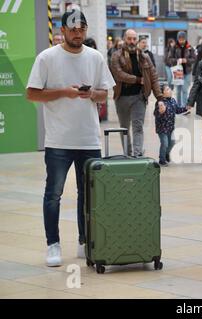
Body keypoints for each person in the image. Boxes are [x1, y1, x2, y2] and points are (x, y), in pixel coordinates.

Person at [26, 10, 116, 267]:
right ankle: (52, 244)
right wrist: (64, 92)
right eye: (73, 28)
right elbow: (32, 94)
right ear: (62, 30)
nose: (78, 33)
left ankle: (83, 240)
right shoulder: (47, 57)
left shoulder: (95, 57)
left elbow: (104, 94)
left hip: (89, 139)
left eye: (82, 28)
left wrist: (92, 95)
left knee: (88, 195)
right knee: (53, 194)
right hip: (58, 140)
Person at [110, 29, 163, 157]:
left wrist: (160, 97)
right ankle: (127, 155)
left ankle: (137, 155)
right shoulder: (116, 56)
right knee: (124, 129)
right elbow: (119, 74)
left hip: (139, 97)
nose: (132, 41)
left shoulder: (144, 57)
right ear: (124, 39)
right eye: (129, 38)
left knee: (138, 127)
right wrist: (138, 80)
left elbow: (153, 77)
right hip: (121, 97)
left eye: (134, 39)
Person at [154, 84, 191, 166]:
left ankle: (166, 153)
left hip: (170, 128)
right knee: (165, 143)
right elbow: (156, 114)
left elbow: (177, 110)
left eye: (169, 89)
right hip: (162, 128)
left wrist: (185, 108)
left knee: (172, 143)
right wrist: (160, 112)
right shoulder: (160, 103)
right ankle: (162, 159)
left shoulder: (173, 100)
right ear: (162, 93)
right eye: (167, 89)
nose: (170, 90)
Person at [167, 31, 196, 109]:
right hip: (178, 72)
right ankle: (179, 106)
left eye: (183, 39)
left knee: (184, 89)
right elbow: (169, 58)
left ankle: (184, 107)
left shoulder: (189, 47)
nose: (181, 41)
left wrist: (186, 60)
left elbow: (194, 59)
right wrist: (177, 60)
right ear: (178, 38)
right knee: (179, 90)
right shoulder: (174, 47)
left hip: (187, 72)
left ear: (185, 38)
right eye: (180, 39)